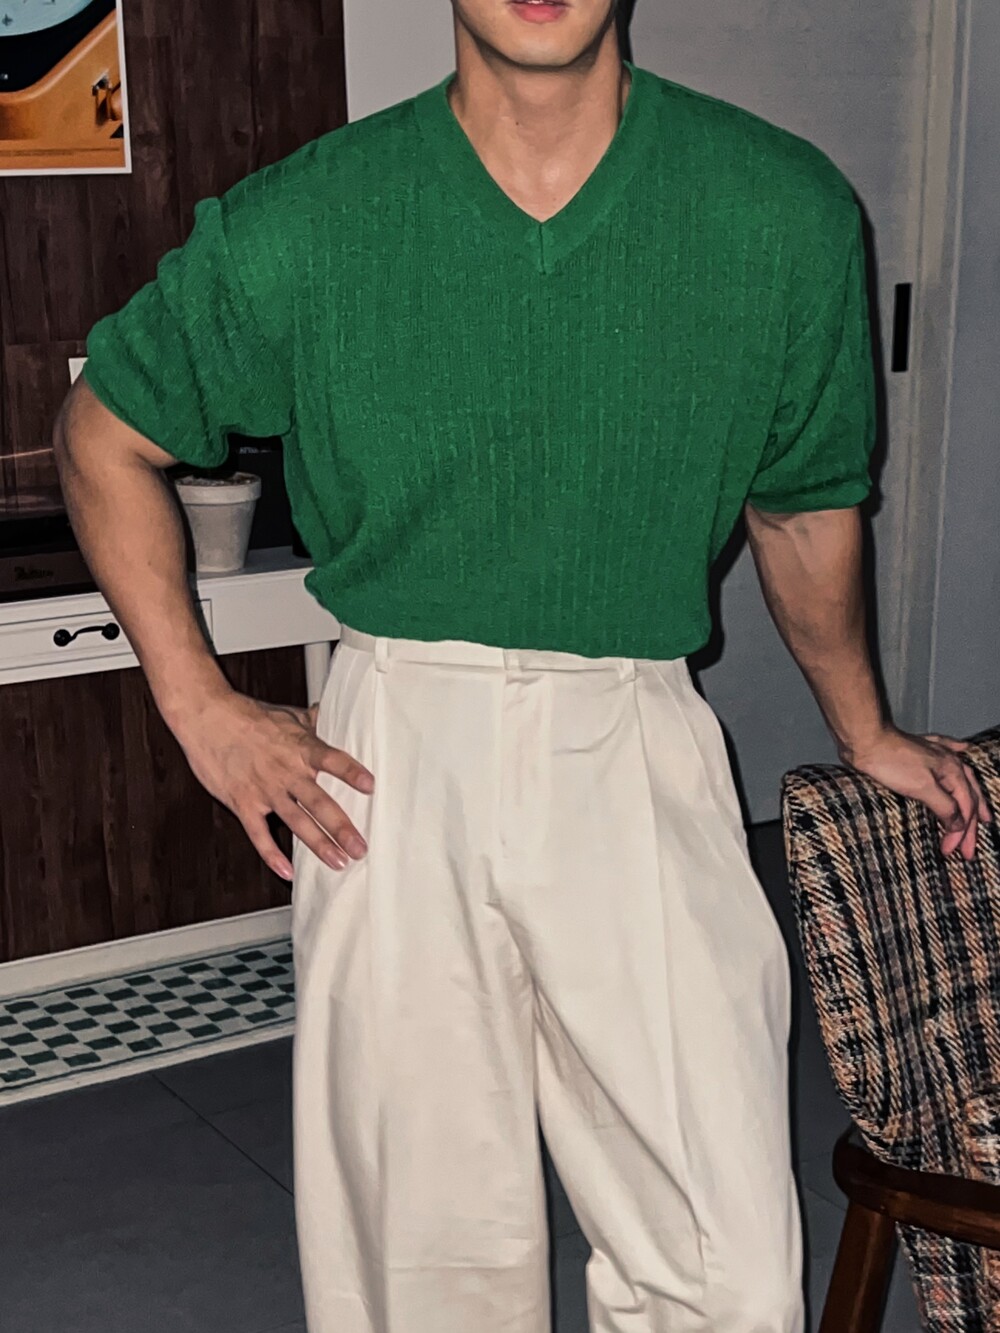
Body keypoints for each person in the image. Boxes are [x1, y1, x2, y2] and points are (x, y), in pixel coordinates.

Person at [54, 2, 991, 1330]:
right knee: (418, 1259)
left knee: (721, 1252)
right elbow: (101, 434)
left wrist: (865, 727)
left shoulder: (780, 210)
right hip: (392, 754)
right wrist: (198, 704)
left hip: (634, 737)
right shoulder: (312, 216)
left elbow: (802, 509)